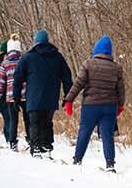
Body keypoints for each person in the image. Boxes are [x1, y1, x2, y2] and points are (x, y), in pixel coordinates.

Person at [65, 35, 125, 170]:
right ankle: (110, 164)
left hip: (91, 106)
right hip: (109, 107)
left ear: (96, 50)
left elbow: (78, 84)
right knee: (107, 135)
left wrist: (69, 100)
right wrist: (121, 105)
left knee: (84, 132)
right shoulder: (117, 68)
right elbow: (121, 90)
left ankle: (77, 160)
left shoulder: (88, 64)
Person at [19, 29, 73, 157]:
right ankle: (47, 145)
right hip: (51, 96)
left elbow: (17, 78)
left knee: (35, 122)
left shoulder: (28, 57)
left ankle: (36, 147)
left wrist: (16, 96)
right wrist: (68, 95)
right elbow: (67, 77)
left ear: (35, 42)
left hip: (33, 96)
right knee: (47, 121)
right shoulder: (58, 57)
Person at [0, 38, 27, 151]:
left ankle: (13, 143)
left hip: (11, 96)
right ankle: (31, 140)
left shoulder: (5, 63)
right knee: (28, 119)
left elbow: (1, 82)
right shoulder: (24, 60)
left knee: (13, 120)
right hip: (26, 94)